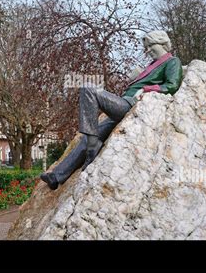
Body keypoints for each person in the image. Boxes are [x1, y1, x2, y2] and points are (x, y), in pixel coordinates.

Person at [40, 30, 183, 190]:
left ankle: (94, 147)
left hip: (130, 105)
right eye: (146, 47)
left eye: (150, 46)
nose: (148, 50)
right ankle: (56, 176)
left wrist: (147, 89)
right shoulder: (151, 65)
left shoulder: (172, 62)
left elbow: (172, 85)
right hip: (123, 107)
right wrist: (137, 77)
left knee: (88, 88)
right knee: (89, 136)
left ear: (162, 43)